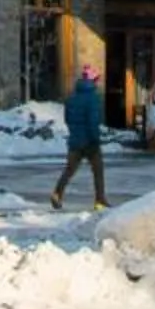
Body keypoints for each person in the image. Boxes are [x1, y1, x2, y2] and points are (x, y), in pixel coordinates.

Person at [50, 63, 108, 210]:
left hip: (75, 140)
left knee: (69, 170)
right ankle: (100, 201)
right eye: (96, 80)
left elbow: (68, 119)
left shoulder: (72, 98)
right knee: (98, 170)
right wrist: (95, 139)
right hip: (90, 141)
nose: (98, 83)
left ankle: (57, 193)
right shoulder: (93, 98)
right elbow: (93, 121)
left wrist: (76, 132)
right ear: (92, 81)